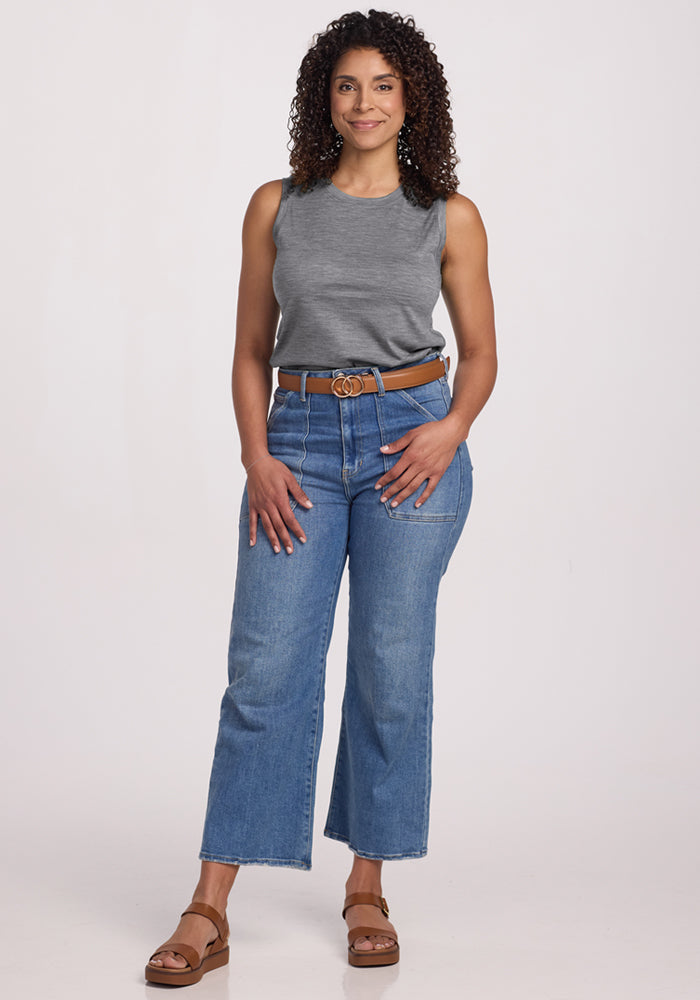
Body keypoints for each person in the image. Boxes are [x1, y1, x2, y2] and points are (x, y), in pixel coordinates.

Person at [145, 8, 497, 985]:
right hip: (294, 443)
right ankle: (208, 906)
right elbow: (250, 349)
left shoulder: (448, 214)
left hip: (408, 447)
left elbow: (481, 354)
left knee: (390, 668)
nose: (366, 101)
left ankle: (367, 887)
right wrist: (256, 454)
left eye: (384, 84)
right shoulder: (278, 204)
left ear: (412, 97)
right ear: (324, 100)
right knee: (264, 671)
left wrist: (449, 428)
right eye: (347, 85)